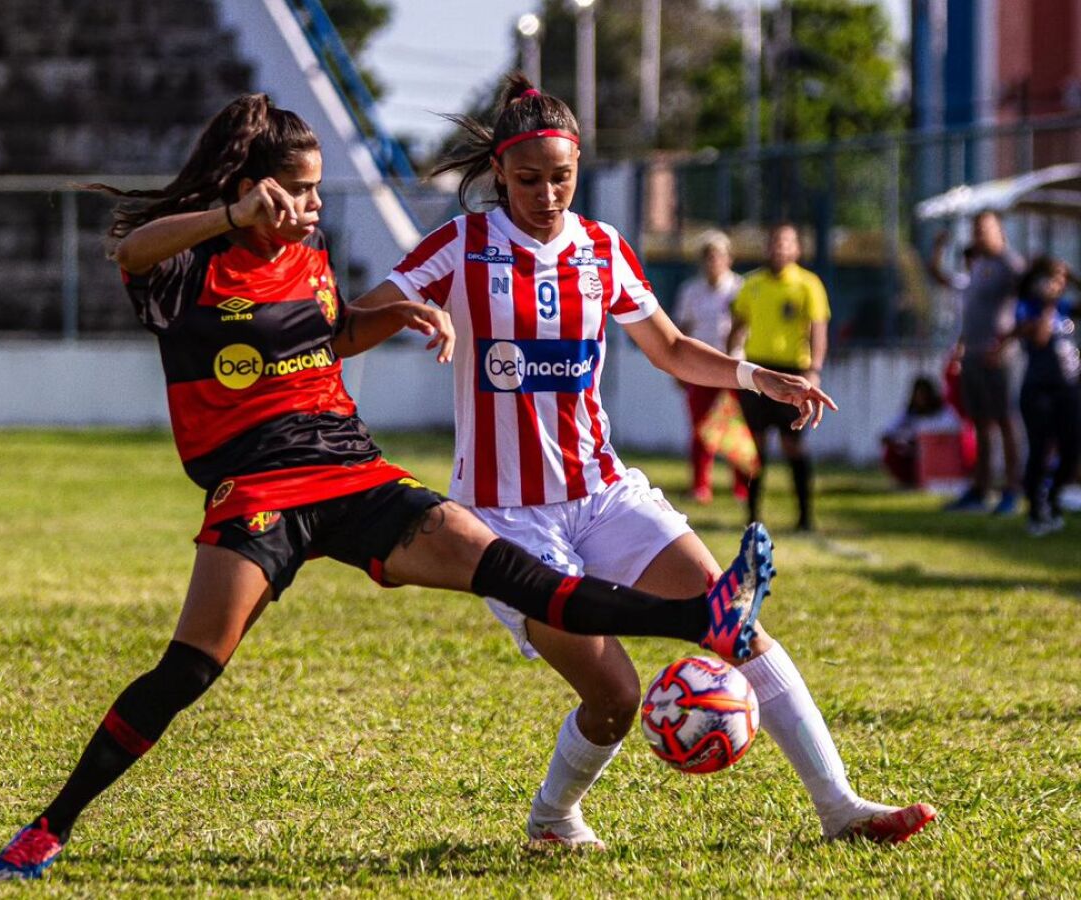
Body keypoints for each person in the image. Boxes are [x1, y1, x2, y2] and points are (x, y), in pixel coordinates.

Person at [0, 94, 778, 880]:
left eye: (317, 189)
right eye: (298, 190)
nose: (312, 205)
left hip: (349, 467)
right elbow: (132, 253)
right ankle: (51, 825)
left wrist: (401, 312)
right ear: (255, 189)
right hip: (259, 487)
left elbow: (332, 337)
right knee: (189, 670)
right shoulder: (194, 263)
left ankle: (699, 616)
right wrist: (228, 215)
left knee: (515, 571)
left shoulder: (309, 251)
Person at [354, 75, 934, 849]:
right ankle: (555, 817)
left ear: (579, 166)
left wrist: (755, 375)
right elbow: (355, 320)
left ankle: (841, 808)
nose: (547, 193)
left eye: (562, 177)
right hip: (504, 520)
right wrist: (404, 309)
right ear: (499, 172)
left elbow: (667, 347)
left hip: (605, 495)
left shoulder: (601, 249)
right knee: (615, 695)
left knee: (735, 623)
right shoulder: (461, 246)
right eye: (529, 180)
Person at [727, 223, 830, 532]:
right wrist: (728, 360)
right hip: (758, 370)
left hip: (792, 372)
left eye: (787, 242)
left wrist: (815, 369)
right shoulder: (752, 284)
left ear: (796, 249)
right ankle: (752, 516)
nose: (780, 248)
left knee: (792, 445)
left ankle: (804, 517)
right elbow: (738, 325)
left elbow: (818, 330)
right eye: (775, 242)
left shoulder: (808, 285)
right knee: (754, 446)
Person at [929, 212, 1025, 514]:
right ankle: (980, 490)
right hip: (972, 357)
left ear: (1000, 232)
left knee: (1006, 422)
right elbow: (948, 285)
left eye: (985, 230)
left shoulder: (1011, 265)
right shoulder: (979, 265)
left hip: (998, 359)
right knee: (980, 424)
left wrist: (1005, 343)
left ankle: (1012, 490)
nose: (979, 236)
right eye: (976, 230)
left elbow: (1030, 305)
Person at [672, 230, 751, 503]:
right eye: (708, 257)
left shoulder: (741, 288)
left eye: (718, 256)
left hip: (734, 367)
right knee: (701, 427)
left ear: (728, 258)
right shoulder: (691, 291)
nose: (713, 262)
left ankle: (743, 487)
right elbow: (682, 330)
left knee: (736, 427)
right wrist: (678, 367)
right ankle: (700, 485)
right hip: (701, 368)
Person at [1015, 256, 1080, 535]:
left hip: (1069, 387)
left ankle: (1052, 501)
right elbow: (1040, 338)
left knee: (1072, 449)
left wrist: (1073, 278)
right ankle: (1035, 510)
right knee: (1040, 450)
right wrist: (1048, 304)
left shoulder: (1066, 307)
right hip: (1039, 389)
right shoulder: (1027, 308)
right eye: (1051, 278)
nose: (1057, 285)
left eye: (1059, 279)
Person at [879, 376, 966, 488]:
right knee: (891, 453)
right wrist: (900, 441)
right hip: (915, 455)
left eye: (924, 395)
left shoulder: (944, 412)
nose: (921, 399)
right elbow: (888, 431)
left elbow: (953, 432)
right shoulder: (910, 412)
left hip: (939, 456)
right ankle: (909, 481)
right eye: (918, 395)